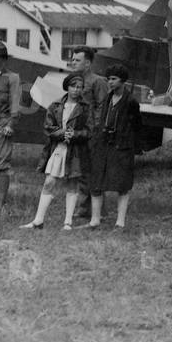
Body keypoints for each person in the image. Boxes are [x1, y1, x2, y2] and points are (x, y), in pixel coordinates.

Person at [20, 73, 90, 230]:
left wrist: (76, 135)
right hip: (59, 148)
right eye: (73, 86)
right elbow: (48, 128)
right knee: (49, 182)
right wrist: (62, 134)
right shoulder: (55, 105)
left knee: (72, 183)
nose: (76, 90)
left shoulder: (85, 108)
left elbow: (90, 131)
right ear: (67, 87)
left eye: (79, 87)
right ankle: (38, 221)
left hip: (75, 150)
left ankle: (68, 222)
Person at [88, 64, 142, 228]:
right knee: (96, 181)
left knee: (122, 185)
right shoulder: (107, 98)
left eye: (114, 79)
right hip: (103, 145)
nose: (110, 82)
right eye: (108, 79)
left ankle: (120, 222)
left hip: (122, 147)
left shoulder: (131, 101)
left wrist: (131, 146)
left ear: (123, 81)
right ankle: (95, 220)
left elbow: (137, 126)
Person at [68, 45, 108, 218]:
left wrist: (96, 131)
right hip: (79, 133)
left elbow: (102, 107)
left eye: (77, 60)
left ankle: (100, 210)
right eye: (73, 59)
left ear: (88, 63)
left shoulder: (98, 81)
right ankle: (84, 207)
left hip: (93, 134)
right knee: (82, 170)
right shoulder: (74, 82)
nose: (73, 62)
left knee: (95, 171)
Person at [0, 41, 21, 213]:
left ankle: (0, 205)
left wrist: (11, 124)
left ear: (5, 60)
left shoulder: (13, 78)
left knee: (2, 165)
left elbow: (16, 105)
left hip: (3, 124)